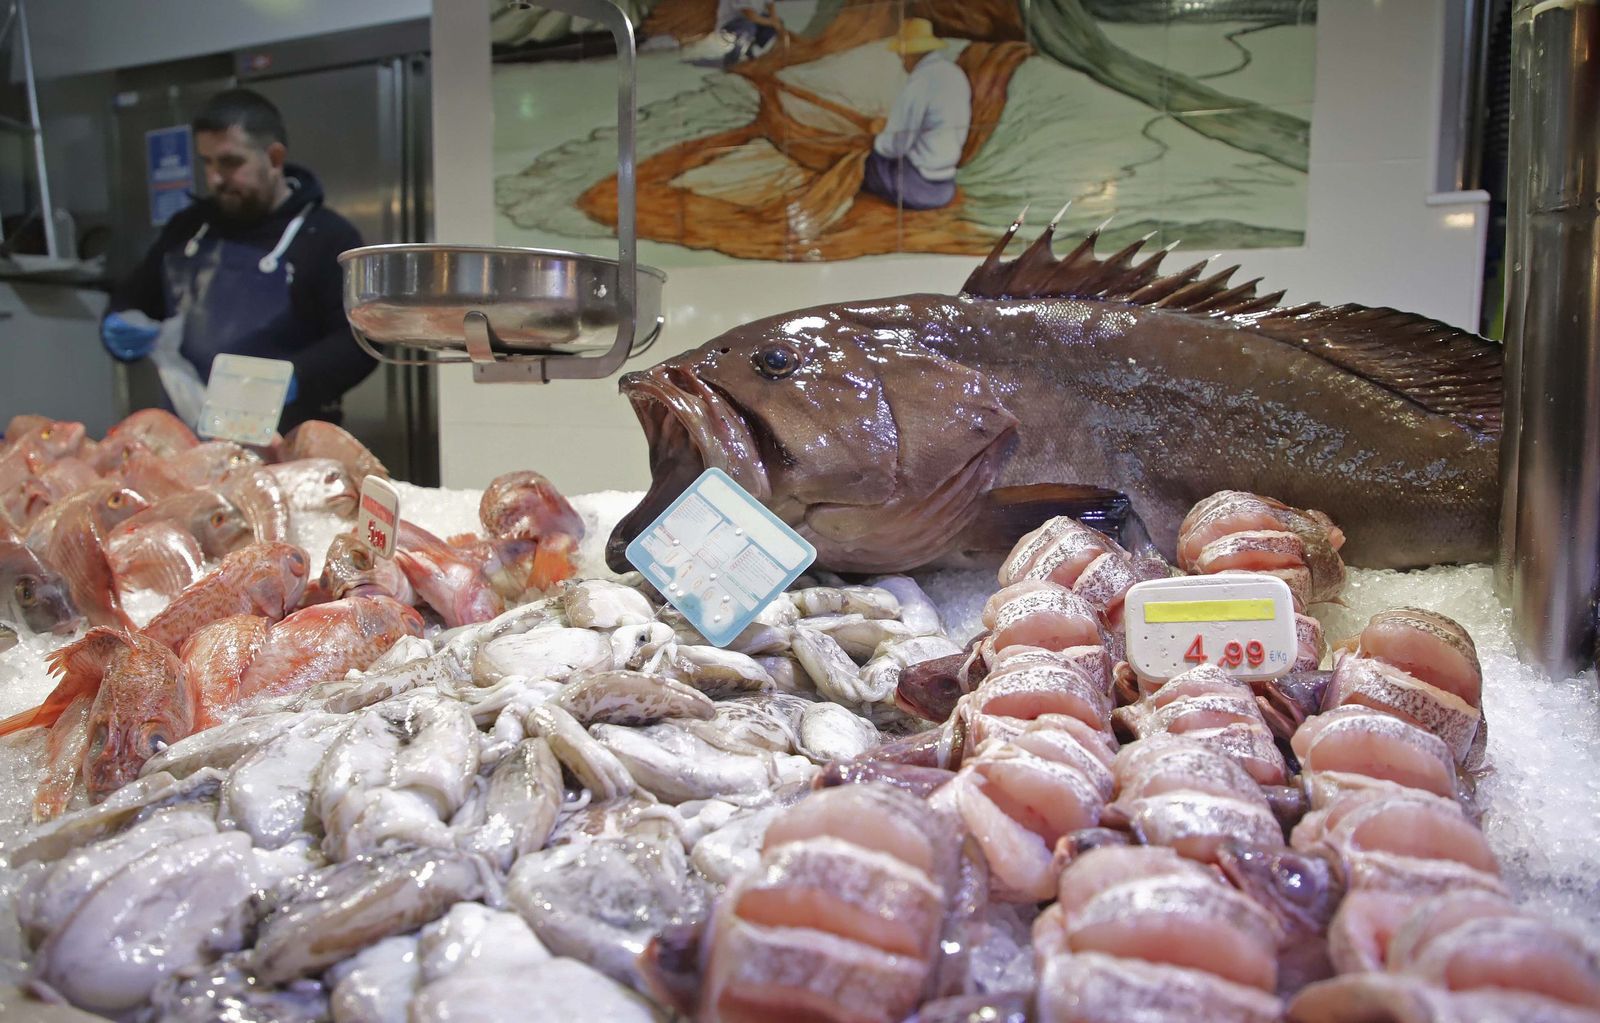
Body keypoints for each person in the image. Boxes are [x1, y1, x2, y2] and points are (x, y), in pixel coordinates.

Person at [101, 88, 373, 430]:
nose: (214, 178)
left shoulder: (327, 237)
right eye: (207, 162)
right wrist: (119, 322)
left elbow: (359, 342)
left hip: (289, 440)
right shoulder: (187, 229)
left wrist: (291, 378)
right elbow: (134, 296)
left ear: (274, 158)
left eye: (230, 163)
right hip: (189, 437)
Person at [863, 18, 972, 211]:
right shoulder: (955, 74)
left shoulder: (919, 82)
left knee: (868, 162)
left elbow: (893, 147)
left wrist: (877, 136)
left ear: (911, 54)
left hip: (917, 186)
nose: (901, 60)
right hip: (945, 186)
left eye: (902, 55)